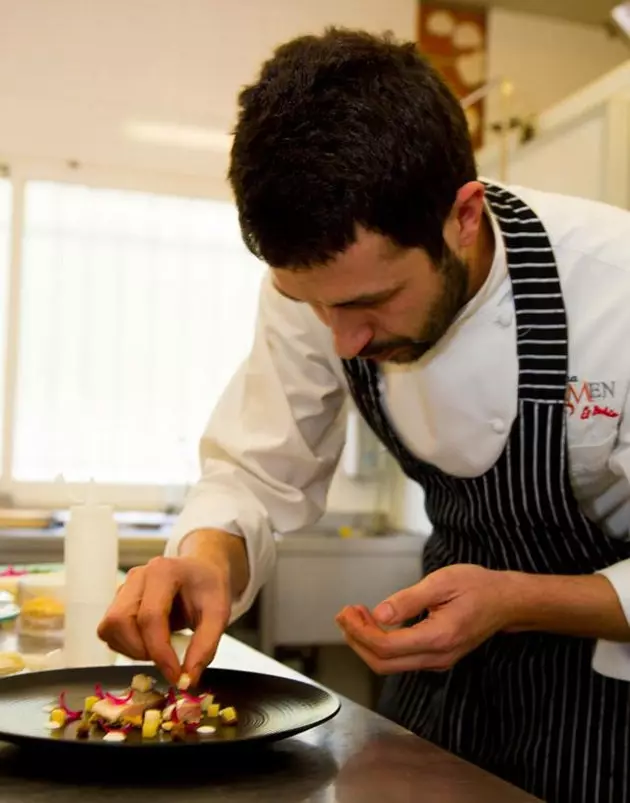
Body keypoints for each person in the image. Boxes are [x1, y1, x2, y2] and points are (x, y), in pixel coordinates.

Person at [99, 28, 630, 803]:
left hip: (611, 698)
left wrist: (518, 599)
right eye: (308, 304)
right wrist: (206, 560)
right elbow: (255, 469)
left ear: (464, 216)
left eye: (369, 304)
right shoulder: (321, 278)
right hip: (445, 677)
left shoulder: (615, 289)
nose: (341, 337)